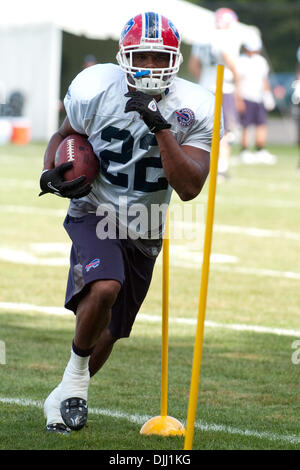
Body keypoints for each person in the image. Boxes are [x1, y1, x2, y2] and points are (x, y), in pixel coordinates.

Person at [39, 11, 222, 435]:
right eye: (144, 56)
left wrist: (160, 126)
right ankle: (74, 386)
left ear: (176, 59)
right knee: (106, 286)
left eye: (161, 57)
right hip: (95, 208)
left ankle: (67, 386)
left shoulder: (194, 106)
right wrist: (51, 168)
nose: (153, 66)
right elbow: (63, 136)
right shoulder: (94, 88)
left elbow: (190, 187)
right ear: (124, 56)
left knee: (112, 330)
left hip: (146, 219)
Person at [188, 7, 243, 178]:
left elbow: (193, 65)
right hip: (223, 88)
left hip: (205, 88)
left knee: (203, 129)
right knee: (224, 131)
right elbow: (230, 61)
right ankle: (221, 168)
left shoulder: (203, 37)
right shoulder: (226, 38)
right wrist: (237, 82)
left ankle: (199, 164)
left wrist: (204, 80)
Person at [236, 34, 277, 164]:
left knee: (262, 124)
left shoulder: (261, 61)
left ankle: (260, 150)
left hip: (259, 97)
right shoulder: (240, 61)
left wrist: (268, 95)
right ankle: (245, 151)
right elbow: (238, 81)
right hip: (246, 96)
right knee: (246, 125)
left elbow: (264, 80)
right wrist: (238, 98)